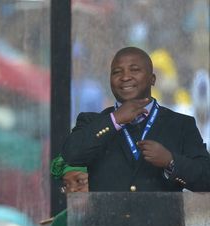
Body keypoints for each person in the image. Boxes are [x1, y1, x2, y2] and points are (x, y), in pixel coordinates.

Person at [62, 46, 210, 192]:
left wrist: (170, 162)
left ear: (152, 79)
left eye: (134, 70)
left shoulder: (181, 124)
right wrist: (115, 119)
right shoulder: (90, 121)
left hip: (160, 217)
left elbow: (206, 179)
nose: (125, 77)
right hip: (107, 217)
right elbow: (70, 155)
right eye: (117, 72)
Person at [41, 155, 88, 226]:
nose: (72, 189)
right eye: (66, 185)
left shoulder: (115, 217)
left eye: (80, 181)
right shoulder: (61, 222)